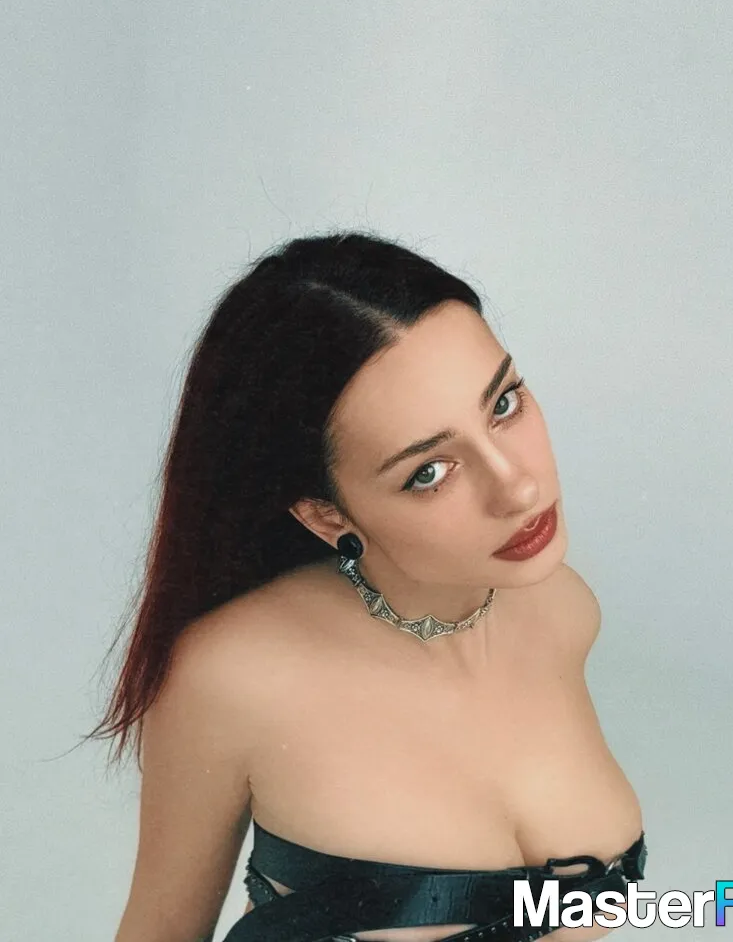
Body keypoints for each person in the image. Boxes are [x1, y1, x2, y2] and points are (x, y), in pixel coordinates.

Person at [92, 231, 646, 942]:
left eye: (504, 405)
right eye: (429, 472)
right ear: (327, 516)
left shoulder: (562, 609)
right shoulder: (231, 677)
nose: (517, 487)